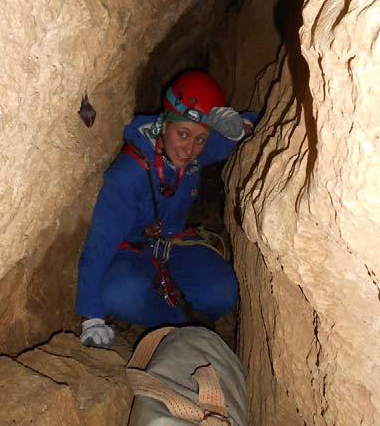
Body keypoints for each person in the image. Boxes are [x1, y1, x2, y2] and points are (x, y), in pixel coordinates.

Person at [75, 70, 259, 348]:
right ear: (163, 125)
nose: (190, 149)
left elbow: (258, 125)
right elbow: (100, 244)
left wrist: (241, 125)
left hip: (175, 244)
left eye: (200, 139)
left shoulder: (196, 149)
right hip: (132, 253)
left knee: (222, 292)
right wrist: (92, 316)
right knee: (119, 294)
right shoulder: (128, 174)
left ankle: (194, 319)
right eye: (183, 134)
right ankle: (178, 327)